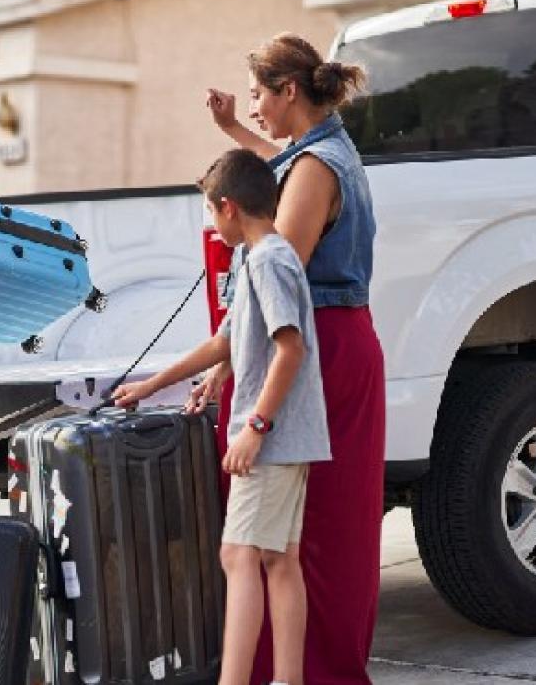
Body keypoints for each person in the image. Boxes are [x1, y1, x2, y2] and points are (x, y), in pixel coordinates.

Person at [196, 33, 386, 685]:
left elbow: (276, 275)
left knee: (304, 533)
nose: (252, 108)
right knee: (322, 528)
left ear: (288, 92)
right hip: (336, 341)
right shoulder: (323, 152)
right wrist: (231, 131)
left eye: (256, 96)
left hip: (318, 352)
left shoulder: (313, 169)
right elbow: (282, 165)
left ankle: (308, 672)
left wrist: (224, 359)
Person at [113, 148, 330, 685]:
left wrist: (255, 426)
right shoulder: (261, 258)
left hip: (272, 439)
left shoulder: (269, 261)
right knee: (279, 560)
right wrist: (154, 383)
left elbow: (290, 349)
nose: (212, 222)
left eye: (211, 211)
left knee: (238, 555)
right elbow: (226, 341)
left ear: (229, 207)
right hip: (290, 437)